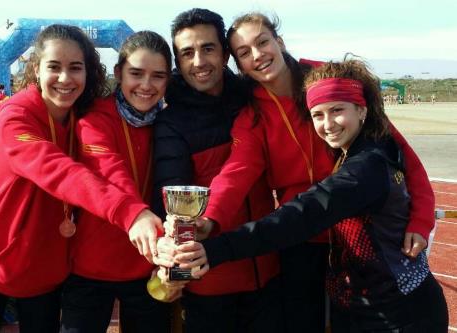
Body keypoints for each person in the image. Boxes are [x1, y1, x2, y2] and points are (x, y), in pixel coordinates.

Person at [157, 12, 435, 333]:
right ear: (238, 64)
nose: (258, 55)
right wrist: (209, 220)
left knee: (367, 316)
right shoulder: (251, 110)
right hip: (299, 233)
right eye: (245, 53)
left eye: (262, 42)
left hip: (356, 228)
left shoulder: (324, 80)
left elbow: (397, 149)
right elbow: (238, 170)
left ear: (280, 41)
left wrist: (422, 216)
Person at [0, 24, 158, 333]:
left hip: (46, 266)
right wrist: (131, 212)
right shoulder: (16, 115)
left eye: (75, 68)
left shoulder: (81, 116)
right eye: (55, 67)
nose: (65, 79)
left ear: (88, 72)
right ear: (36, 69)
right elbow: (60, 171)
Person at [152, 8, 281, 332]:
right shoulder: (172, 122)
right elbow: (176, 201)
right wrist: (179, 274)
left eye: (208, 48)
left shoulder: (253, 100)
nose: (199, 61)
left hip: (268, 271)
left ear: (224, 53)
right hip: (210, 283)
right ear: (177, 64)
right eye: (187, 53)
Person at [60, 30, 173, 333]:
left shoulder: (169, 121)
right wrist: (135, 214)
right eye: (136, 73)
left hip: (146, 265)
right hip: (90, 265)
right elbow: (110, 170)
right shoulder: (95, 117)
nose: (146, 86)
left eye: (158, 76)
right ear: (119, 72)